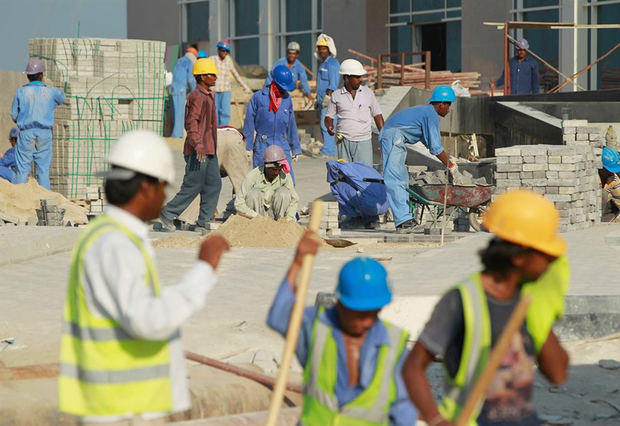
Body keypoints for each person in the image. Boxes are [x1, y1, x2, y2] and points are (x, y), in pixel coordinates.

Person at [58, 130, 231, 424]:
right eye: (163, 188)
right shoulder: (116, 245)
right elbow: (146, 320)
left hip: (118, 405)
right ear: (146, 189)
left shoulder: (108, 237)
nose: (164, 196)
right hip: (120, 409)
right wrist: (203, 270)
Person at [402, 189, 570, 426]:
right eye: (547, 254)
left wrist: (545, 307)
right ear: (520, 257)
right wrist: (436, 419)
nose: (553, 261)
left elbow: (557, 374)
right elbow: (412, 368)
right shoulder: (462, 300)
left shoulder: (527, 300)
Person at [267, 233, 416, 425]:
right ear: (341, 303)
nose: (367, 322)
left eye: (373, 313)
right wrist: (297, 263)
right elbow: (279, 314)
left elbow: (404, 409)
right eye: (359, 314)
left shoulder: (395, 344)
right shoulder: (316, 327)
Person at [379, 85, 457, 233]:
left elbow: (430, 143)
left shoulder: (426, 113)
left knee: (402, 178)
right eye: (448, 104)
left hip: (394, 136)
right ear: (441, 104)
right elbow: (436, 148)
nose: (449, 109)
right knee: (395, 177)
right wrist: (451, 165)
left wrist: (447, 158)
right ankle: (403, 221)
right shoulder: (431, 115)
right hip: (393, 136)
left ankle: (405, 218)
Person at [159, 58, 221, 234]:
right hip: (198, 151)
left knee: (214, 184)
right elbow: (191, 123)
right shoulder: (197, 97)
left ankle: (204, 221)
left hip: (210, 149)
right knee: (193, 186)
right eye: (211, 74)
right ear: (201, 77)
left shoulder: (209, 95)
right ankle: (168, 213)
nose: (215, 77)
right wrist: (198, 144)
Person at [10, 58, 65, 189]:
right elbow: (62, 98)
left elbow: (14, 114)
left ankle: (19, 198)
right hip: (44, 133)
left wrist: (22, 120)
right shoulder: (50, 92)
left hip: (26, 132)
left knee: (22, 169)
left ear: (28, 76)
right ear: (41, 75)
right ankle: (45, 201)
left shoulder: (21, 92)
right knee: (43, 170)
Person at [243, 65, 302, 181]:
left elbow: (291, 124)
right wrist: (247, 146)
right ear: (274, 83)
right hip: (263, 144)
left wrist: (295, 148)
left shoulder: (287, 99)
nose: (284, 90)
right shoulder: (258, 98)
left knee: (287, 181)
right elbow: (249, 122)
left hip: (281, 143)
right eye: (282, 87)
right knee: (260, 181)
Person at [325, 59, 383, 165]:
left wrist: (384, 135)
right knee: (346, 174)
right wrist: (329, 125)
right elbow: (329, 116)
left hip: (363, 141)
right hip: (343, 141)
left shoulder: (368, 93)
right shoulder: (336, 95)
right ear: (346, 78)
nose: (360, 79)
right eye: (357, 77)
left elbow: (377, 114)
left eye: (360, 76)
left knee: (364, 175)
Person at [234, 145, 299, 221]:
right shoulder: (252, 176)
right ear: (266, 166)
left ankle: (281, 223)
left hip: (276, 214)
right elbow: (239, 203)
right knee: (253, 193)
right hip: (257, 216)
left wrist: (289, 218)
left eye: (279, 169)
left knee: (283, 193)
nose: (277, 172)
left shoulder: (285, 176)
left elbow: (294, 199)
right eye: (274, 169)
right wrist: (255, 216)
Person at [209, 40, 252, 125]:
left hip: (225, 91)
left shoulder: (228, 61)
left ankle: (223, 130)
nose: (225, 53)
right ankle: (215, 131)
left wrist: (245, 87)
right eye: (223, 50)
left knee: (225, 113)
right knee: (214, 112)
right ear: (218, 50)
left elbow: (236, 75)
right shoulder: (212, 59)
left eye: (227, 51)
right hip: (214, 90)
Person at [314, 34, 340, 157]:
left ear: (329, 49)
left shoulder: (332, 63)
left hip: (328, 100)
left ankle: (329, 150)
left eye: (324, 48)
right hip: (322, 100)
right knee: (323, 124)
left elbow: (333, 82)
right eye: (320, 48)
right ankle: (328, 148)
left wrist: (328, 97)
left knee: (328, 124)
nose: (321, 51)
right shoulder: (323, 64)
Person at [170, 47, 198, 138]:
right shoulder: (189, 62)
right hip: (181, 89)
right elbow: (190, 79)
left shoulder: (178, 61)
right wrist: (195, 91)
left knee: (175, 111)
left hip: (173, 88)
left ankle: (176, 132)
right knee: (180, 112)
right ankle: (177, 134)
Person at [600, 146, 620, 221]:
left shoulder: (613, 179)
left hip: (603, 209)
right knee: (603, 193)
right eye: (608, 170)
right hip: (592, 209)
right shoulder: (593, 177)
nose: (611, 172)